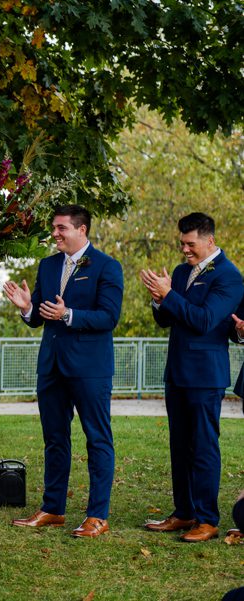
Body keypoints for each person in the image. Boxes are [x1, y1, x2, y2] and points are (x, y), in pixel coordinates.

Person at [3, 205, 123, 538]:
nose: (55, 234)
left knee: (97, 440)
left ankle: (97, 515)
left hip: (90, 369)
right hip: (51, 367)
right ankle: (53, 508)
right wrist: (27, 308)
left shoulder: (107, 267)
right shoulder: (48, 265)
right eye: (54, 228)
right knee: (54, 439)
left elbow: (108, 317)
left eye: (61, 228)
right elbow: (41, 314)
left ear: (81, 230)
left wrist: (69, 314)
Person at [140, 212, 243, 542]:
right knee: (179, 446)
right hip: (178, 372)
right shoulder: (183, 272)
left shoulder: (229, 276)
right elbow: (166, 321)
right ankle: (183, 513)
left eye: (190, 243)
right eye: (181, 243)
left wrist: (169, 295)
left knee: (203, 447)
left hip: (206, 376)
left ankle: (207, 519)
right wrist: (159, 301)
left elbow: (204, 320)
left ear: (209, 240)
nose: (184, 249)